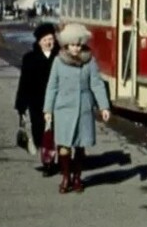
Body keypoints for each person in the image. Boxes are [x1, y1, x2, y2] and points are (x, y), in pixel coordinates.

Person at [43, 23, 111, 194]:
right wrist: (48, 110)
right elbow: (52, 87)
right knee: (64, 146)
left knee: (80, 146)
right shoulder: (58, 62)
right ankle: (66, 177)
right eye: (72, 45)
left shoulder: (89, 61)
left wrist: (104, 106)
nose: (75, 48)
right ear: (66, 45)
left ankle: (77, 178)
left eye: (78, 45)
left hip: (83, 109)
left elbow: (96, 84)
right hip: (63, 109)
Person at [15, 23, 60, 176]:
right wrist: (21, 106)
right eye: (46, 39)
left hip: (56, 102)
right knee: (39, 133)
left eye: (51, 39)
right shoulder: (29, 58)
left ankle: (49, 162)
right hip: (36, 103)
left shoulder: (60, 57)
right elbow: (24, 83)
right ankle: (47, 157)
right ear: (39, 41)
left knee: (52, 133)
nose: (49, 42)